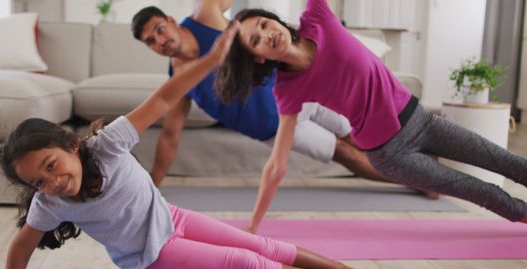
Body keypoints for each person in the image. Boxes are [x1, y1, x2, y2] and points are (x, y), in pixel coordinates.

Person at [0, 24, 383, 269]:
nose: (52, 183)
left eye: (51, 166)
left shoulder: (106, 144)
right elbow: (21, 247)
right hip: (154, 256)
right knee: (244, 263)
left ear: (71, 145)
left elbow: (165, 98)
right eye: (39, 181)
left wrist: (212, 59)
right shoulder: (50, 203)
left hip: (172, 217)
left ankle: (338, 267)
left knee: (263, 245)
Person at [214, 1, 527, 234]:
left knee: (502, 160)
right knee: (481, 191)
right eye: (255, 40)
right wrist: (253, 225)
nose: (267, 35)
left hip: (421, 120)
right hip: (389, 153)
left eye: (264, 25)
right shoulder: (287, 89)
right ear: (258, 57)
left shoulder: (318, 18)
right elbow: (277, 164)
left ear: (274, 20)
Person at [131, 3, 403, 189]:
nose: (160, 40)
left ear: (169, 20)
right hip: (275, 128)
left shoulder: (206, 15)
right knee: (346, 154)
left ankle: (418, 166)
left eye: (159, 29)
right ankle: (413, 180)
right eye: (150, 41)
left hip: (301, 91)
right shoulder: (179, 80)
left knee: (359, 135)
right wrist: (153, 185)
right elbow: (170, 136)